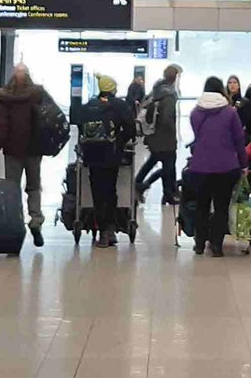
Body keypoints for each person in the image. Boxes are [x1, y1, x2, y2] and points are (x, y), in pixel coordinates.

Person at [0, 63, 51, 247]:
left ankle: (15, 225)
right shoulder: (38, 96)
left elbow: (0, 131)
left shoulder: (5, 99)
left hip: (13, 151)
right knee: (34, 186)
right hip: (35, 150)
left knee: (12, 188)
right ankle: (36, 221)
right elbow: (50, 120)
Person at [186, 77, 246, 257]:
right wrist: (244, 164)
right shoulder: (230, 112)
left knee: (201, 206)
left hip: (200, 166)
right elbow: (239, 140)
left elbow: (199, 136)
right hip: (226, 167)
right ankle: (217, 246)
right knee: (221, 207)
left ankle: (199, 244)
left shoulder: (195, 112)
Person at [74, 76, 136, 248]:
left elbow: (80, 126)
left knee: (97, 192)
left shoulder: (88, 106)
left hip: (92, 154)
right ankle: (110, 230)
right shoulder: (119, 105)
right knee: (110, 190)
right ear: (113, 89)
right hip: (111, 154)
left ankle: (102, 230)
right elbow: (131, 127)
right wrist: (120, 141)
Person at [135, 65, 182, 205]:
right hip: (165, 137)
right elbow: (167, 118)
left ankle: (140, 184)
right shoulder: (169, 95)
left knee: (155, 161)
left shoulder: (157, 91)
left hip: (154, 135)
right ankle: (167, 193)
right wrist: (172, 134)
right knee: (168, 165)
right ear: (175, 77)